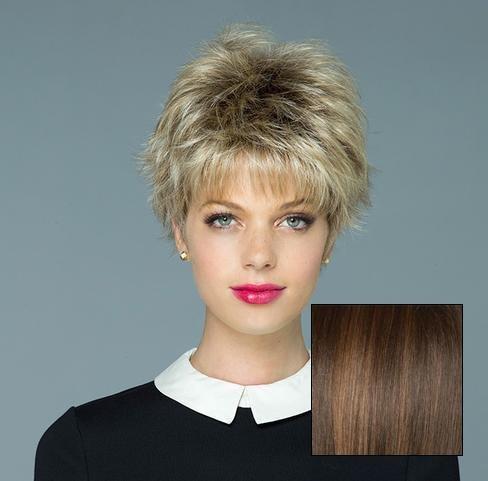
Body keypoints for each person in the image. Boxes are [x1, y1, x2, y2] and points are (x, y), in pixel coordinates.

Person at [34, 23, 460, 480]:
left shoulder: (403, 438)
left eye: (293, 220)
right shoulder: (86, 447)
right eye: (224, 219)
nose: (259, 255)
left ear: (330, 236)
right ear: (180, 232)